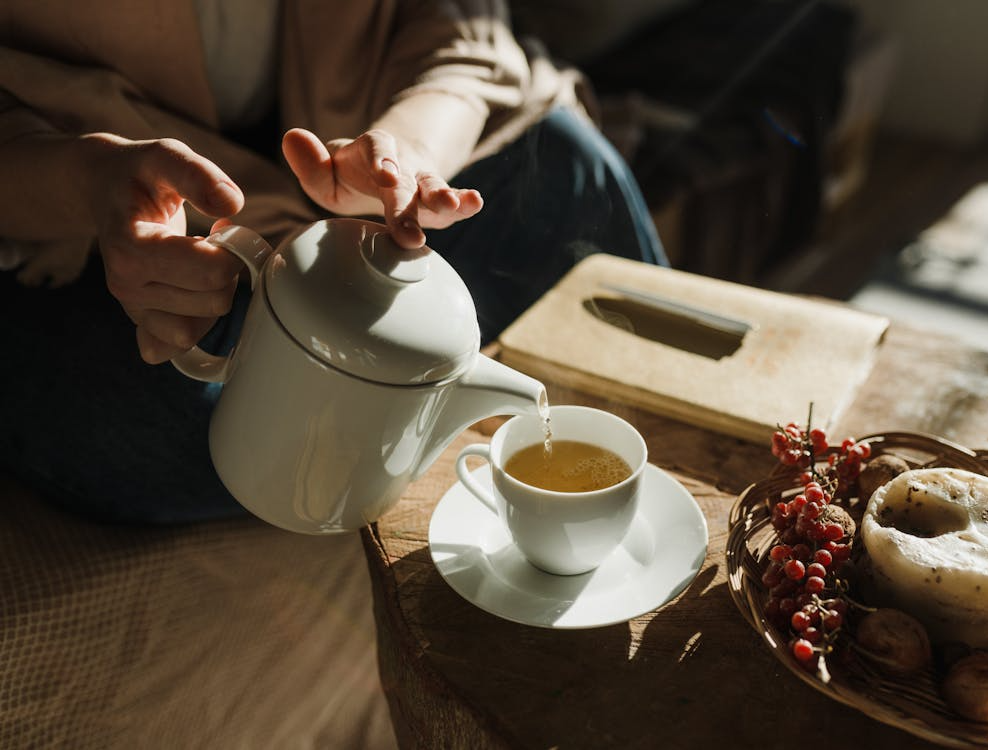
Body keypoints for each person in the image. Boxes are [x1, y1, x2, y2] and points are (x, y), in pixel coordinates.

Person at [0, 0, 666, 524]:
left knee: (573, 171)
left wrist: (407, 150)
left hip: (384, 142)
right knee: (138, 426)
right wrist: (86, 182)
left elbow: (458, 22)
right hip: (92, 233)